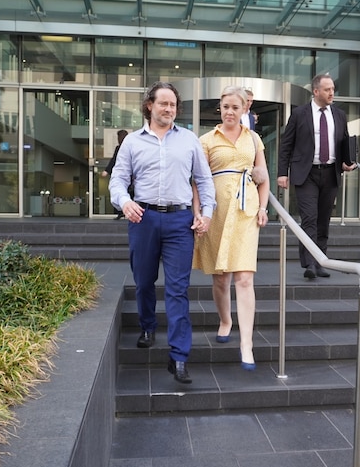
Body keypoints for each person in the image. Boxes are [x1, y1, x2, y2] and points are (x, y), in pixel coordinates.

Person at [109, 82, 216, 384]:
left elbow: (204, 181)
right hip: (142, 218)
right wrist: (125, 201)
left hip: (179, 221)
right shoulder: (132, 142)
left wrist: (206, 214)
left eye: (173, 105)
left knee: (178, 289)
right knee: (144, 281)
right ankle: (147, 325)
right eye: (163, 104)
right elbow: (117, 180)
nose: (168, 109)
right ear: (149, 106)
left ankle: (179, 356)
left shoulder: (189, 141)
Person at [193, 86, 269, 371]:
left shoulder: (254, 139)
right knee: (220, 279)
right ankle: (225, 320)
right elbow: (197, 182)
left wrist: (263, 208)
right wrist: (198, 213)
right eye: (225, 107)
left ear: (244, 110)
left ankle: (246, 344)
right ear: (220, 108)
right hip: (217, 212)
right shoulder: (206, 140)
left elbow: (263, 178)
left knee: (245, 279)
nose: (229, 112)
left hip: (246, 211)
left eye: (235, 107)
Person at [277, 73, 357, 280]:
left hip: (331, 173)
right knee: (309, 218)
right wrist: (281, 173)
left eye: (332, 89)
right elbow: (286, 145)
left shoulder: (339, 115)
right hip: (306, 174)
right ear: (316, 91)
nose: (332, 93)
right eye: (327, 89)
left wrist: (347, 162)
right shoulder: (299, 114)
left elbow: (344, 141)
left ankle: (321, 261)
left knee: (323, 220)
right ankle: (310, 263)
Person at [102, 129, 129, 219]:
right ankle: (121, 212)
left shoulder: (130, 147)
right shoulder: (118, 148)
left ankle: (127, 212)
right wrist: (107, 170)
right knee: (119, 191)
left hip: (129, 174)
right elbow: (114, 160)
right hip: (122, 174)